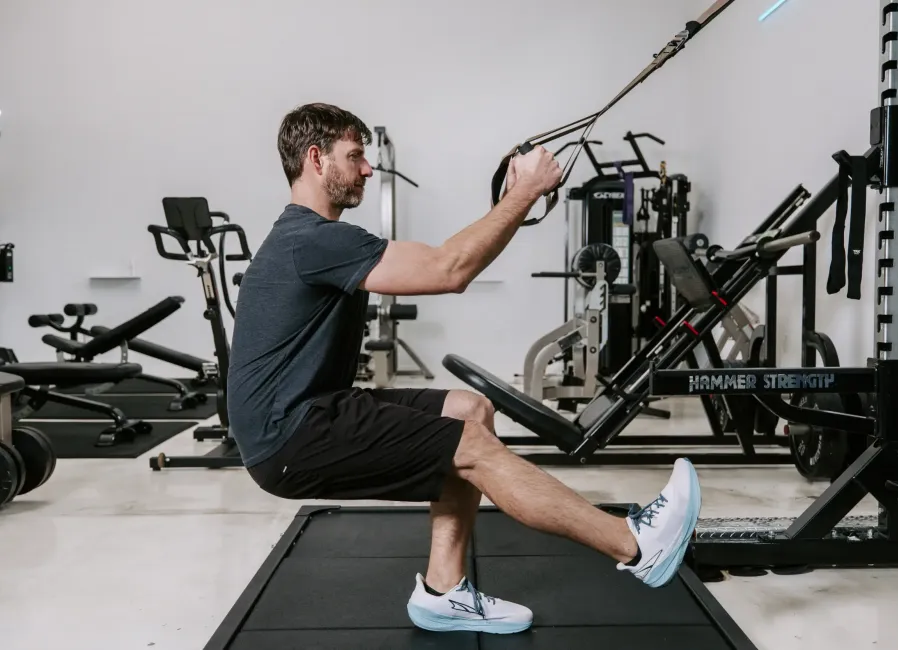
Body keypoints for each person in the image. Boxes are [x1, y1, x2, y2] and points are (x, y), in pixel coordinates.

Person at [227, 103, 702, 635]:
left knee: (469, 409)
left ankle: (443, 591)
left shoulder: (311, 238)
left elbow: (452, 259)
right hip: (288, 437)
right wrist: (523, 195)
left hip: (313, 410)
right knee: (469, 449)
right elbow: (449, 270)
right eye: (355, 156)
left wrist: (511, 202)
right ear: (315, 159)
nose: (367, 169)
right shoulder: (312, 240)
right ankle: (637, 545)